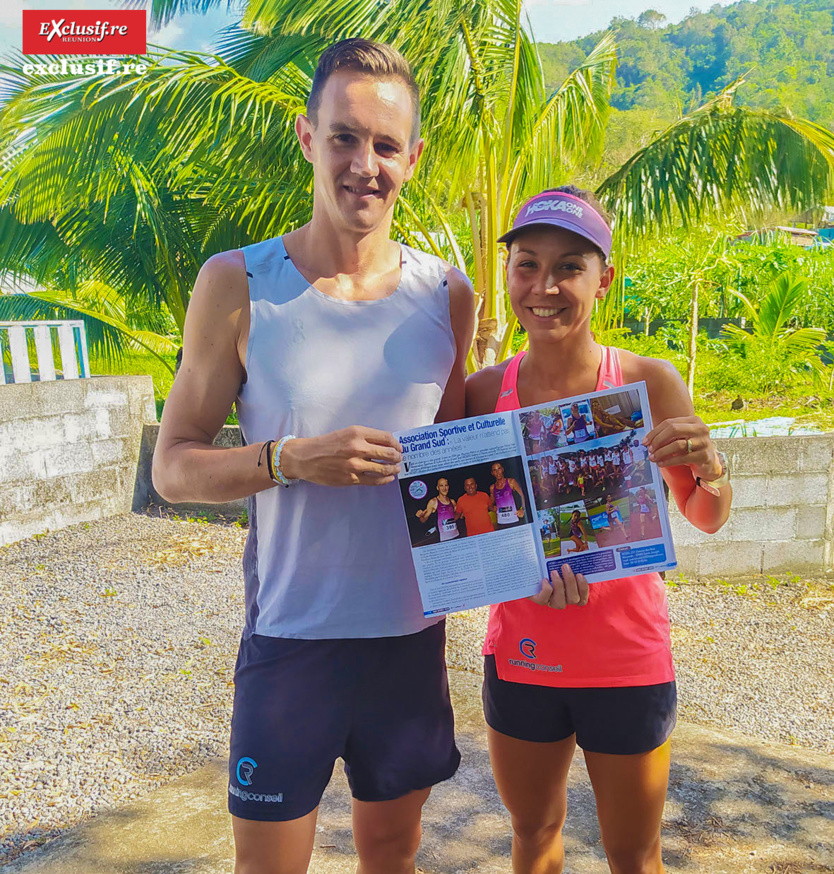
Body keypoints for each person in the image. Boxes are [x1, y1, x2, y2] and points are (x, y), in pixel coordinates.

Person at [152, 39, 477, 874]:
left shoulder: (448, 295)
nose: (365, 164)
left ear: (413, 157)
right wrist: (288, 460)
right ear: (307, 137)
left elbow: (453, 476)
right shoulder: (239, 283)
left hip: (410, 641)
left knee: (391, 858)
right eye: (344, 137)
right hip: (291, 640)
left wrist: (561, 545)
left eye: (386, 145)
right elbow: (173, 468)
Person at [465, 185, 732, 874]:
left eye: (569, 267)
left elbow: (705, 515)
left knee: (635, 855)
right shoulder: (482, 394)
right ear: (508, 273)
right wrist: (513, 572)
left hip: (626, 660)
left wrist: (711, 467)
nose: (545, 287)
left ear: (604, 278)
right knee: (532, 836)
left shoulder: (648, 383)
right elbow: (469, 537)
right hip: (523, 655)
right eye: (527, 264)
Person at [416, 477, 460, 541]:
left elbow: (457, 516)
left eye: (446, 485)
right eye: (441, 486)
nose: (444, 488)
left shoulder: (452, 502)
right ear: (437, 488)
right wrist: (421, 516)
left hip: (456, 536)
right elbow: (423, 520)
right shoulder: (433, 502)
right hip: (443, 539)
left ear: (448, 487)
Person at [490, 462, 527, 527]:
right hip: (501, 522)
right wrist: (492, 508)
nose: (497, 472)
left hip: (514, 519)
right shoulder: (492, 488)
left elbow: (522, 495)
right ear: (492, 473)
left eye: (499, 469)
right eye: (495, 470)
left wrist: (523, 509)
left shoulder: (511, 482)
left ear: (502, 469)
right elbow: (490, 504)